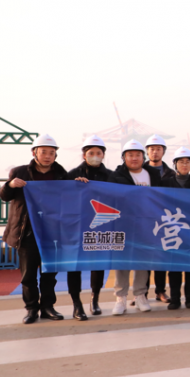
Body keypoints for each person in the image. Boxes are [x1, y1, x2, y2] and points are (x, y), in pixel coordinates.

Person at [1, 134, 73, 324]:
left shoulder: (61, 174)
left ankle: (48, 307)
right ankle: (31, 309)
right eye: (43, 152)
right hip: (26, 232)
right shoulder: (20, 172)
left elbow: (70, 197)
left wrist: (79, 183)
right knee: (28, 275)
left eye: (51, 152)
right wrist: (10, 184)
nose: (48, 156)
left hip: (52, 232)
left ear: (56, 155)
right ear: (34, 152)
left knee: (49, 273)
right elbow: (5, 196)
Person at [109, 139, 162, 315]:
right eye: (130, 155)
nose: (134, 158)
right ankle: (121, 298)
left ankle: (140, 295)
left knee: (143, 260)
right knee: (121, 261)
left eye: (138, 155)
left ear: (143, 157)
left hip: (146, 224)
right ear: (124, 157)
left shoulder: (153, 174)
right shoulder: (116, 176)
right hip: (123, 224)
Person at [66, 134, 112, 319]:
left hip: (101, 225)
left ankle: (95, 299)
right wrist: (73, 186)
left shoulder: (111, 176)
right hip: (77, 227)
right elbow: (61, 196)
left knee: (97, 264)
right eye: (91, 153)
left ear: (103, 155)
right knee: (74, 265)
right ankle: (77, 304)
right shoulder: (72, 175)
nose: (95, 156)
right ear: (84, 155)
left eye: (98, 153)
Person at [161, 147, 190, 309]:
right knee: (174, 267)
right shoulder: (165, 182)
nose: (184, 165)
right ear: (175, 164)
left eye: (187, 162)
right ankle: (175, 298)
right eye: (181, 162)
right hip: (172, 230)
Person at [144, 134, 175, 304]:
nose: (155, 152)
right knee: (143, 257)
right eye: (152, 149)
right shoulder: (139, 171)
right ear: (147, 152)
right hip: (143, 219)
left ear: (163, 151)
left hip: (163, 220)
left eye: (158, 149)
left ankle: (160, 291)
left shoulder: (170, 174)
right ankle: (141, 293)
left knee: (161, 257)